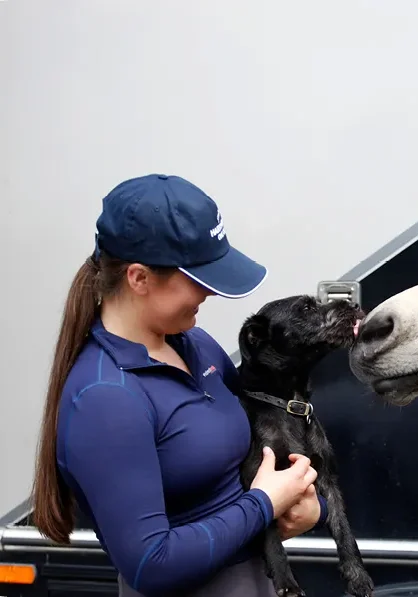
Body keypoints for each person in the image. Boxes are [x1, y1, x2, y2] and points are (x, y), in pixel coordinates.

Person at [31, 174, 327, 596]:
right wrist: (263, 506)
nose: (212, 292)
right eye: (198, 278)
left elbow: (259, 460)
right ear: (138, 278)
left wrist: (309, 504)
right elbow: (152, 564)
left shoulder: (196, 345)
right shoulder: (105, 398)